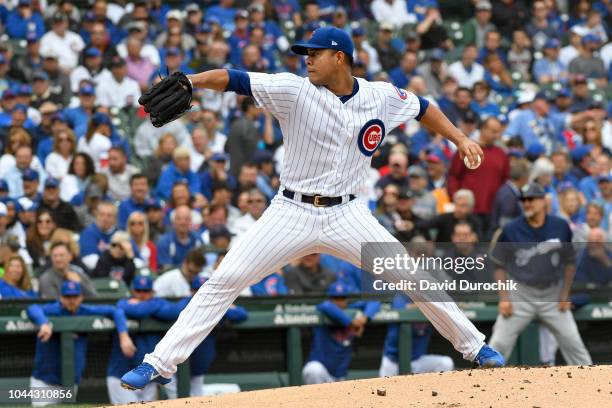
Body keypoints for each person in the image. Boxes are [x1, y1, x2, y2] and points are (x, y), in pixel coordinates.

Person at [121, 26, 503, 391]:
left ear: (340, 58)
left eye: (314, 54)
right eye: (306, 54)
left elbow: (422, 106)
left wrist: (460, 138)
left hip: (348, 215)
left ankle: (475, 347)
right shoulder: (294, 90)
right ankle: (158, 363)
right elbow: (235, 78)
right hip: (291, 211)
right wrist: (192, 81)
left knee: (411, 274)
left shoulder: (380, 96)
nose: (307, 60)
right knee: (225, 279)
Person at [489, 183, 592, 365]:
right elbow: (498, 264)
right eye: (523, 200)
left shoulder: (560, 226)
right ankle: (479, 386)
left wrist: (565, 293)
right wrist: (504, 298)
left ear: (543, 201)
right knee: (498, 343)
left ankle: (595, 387)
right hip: (520, 294)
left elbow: (569, 262)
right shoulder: (511, 229)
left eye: (531, 199)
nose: (527, 203)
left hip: (552, 294)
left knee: (574, 344)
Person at [27, 280, 135, 405]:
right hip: (45, 381)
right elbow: (32, 308)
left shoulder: (84, 310)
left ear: (81, 297)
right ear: (61, 297)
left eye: (75, 296)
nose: (71, 300)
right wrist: (44, 323)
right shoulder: (53, 310)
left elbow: (116, 311)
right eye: (67, 296)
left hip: (71, 381)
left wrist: (124, 336)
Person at [155, 275, 248, 398]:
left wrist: (229, 305)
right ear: (192, 291)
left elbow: (241, 315)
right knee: (176, 393)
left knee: (197, 391)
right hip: (179, 356)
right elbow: (165, 313)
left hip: (201, 353)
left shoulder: (216, 304)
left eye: (204, 289)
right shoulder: (186, 303)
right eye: (198, 290)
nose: (203, 294)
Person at [302, 282, 380, 384]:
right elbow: (326, 306)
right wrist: (352, 324)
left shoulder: (351, 308)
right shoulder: (324, 308)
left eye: (342, 298)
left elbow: (374, 302)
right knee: (313, 370)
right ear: (330, 298)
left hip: (340, 376)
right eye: (335, 298)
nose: (339, 302)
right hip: (321, 371)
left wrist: (364, 318)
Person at [379, 294, 454, 376]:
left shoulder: (432, 304)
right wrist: (429, 304)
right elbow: (402, 309)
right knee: (384, 387)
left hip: (416, 360)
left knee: (446, 363)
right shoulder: (401, 298)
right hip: (392, 361)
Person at [156, 205, 203, 270]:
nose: (183, 222)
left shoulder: (198, 240)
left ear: (191, 221)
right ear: (173, 222)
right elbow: (166, 269)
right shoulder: (164, 241)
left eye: (187, 219)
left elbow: (201, 264)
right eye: (179, 219)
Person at [79, 201, 118, 268]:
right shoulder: (89, 233)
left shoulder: (119, 234)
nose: (105, 219)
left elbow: (134, 257)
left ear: (115, 218)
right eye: (101, 214)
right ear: (96, 216)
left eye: (109, 215)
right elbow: (90, 261)